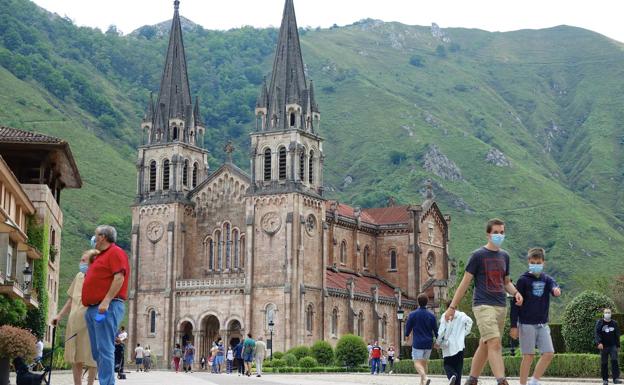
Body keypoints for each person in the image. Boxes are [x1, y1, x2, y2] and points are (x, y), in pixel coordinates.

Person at [444, 218, 523, 385]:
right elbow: (465, 282)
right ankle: (502, 381)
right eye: (496, 232)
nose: (499, 235)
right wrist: (452, 307)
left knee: (485, 344)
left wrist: (516, 293)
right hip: (482, 305)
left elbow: (506, 282)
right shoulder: (478, 255)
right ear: (488, 234)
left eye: (502, 232)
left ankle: (472, 380)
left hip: (501, 306)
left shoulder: (505, 256)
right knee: (494, 342)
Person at [82, 225, 130, 385]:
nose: (94, 239)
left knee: (104, 348)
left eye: (95, 235)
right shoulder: (100, 256)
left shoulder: (115, 252)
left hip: (105, 307)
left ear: (102, 237)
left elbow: (119, 277)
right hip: (93, 308)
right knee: (97, 351)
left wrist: (106, 300)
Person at [510, 248, 561, 385]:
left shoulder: (547, 279)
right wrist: (514, 325)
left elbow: (554, 286)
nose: (535, 265)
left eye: (538, 262)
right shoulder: (523, 280)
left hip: (542, 324)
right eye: (533, 262)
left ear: (543, 262)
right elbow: (515, 304)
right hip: (526, 324)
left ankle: (534, 381)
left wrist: (556, 290)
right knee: (528, 356)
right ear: (528, 262)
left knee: (549, 353)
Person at [51, 249, 100, 385]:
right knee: (75, 356)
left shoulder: (99, 279)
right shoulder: (79, 276)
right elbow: (71, 300)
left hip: (90, 323)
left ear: (92, 263)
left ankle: (90, 383)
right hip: (74, 323)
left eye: (83, 260)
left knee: (92, 357)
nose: (80, 263)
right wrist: (59, 316)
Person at [405, 293, 438, 385]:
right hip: (428, 343)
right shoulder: (431, 316)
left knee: (417, 363)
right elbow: (436, 330)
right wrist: (437, 342)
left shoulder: (413, 314)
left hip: (418, 343)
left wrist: (407, 336)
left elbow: (408, 328)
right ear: (427, 302)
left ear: (418, 302)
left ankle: (425, 377)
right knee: (424, 363)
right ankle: (422, 383)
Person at [438, 300, 474, 385]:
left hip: (448, 347)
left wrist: (438, 342)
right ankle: (456, 379)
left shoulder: (445, 316)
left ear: (447, 307)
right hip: (460, 346)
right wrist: (464, 333)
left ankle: (452, 376)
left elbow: (441, 331)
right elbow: (470, 322)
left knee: (447, 365)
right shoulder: (461, 315)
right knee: (458, 368)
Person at [596, 308, 622, 385]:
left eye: (609, 312)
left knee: (614, 361)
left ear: (611, 313)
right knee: (604, 363)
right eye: (606, 312)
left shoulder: (614, 323)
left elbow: (617, 334)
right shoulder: (600, 322)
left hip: (613, 346)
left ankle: (616, 379)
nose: (607, 314)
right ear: (603, 314)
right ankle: (605, 380)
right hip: (603, 346)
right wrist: (599, 343)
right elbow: (597, 333)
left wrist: (618, 345)